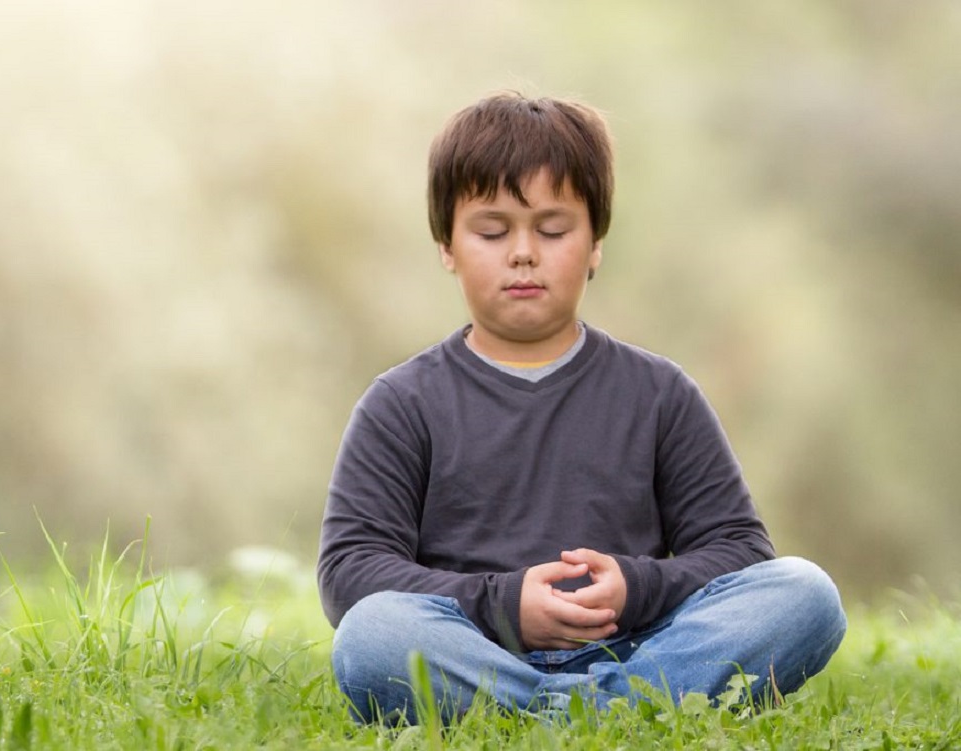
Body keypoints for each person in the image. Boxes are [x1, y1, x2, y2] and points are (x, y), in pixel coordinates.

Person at [316, 92, 846, 725]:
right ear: (447, 246)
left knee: (803, 594)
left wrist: (635, 586)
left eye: (552, 229)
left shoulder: (659, 392)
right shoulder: (401, 402)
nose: (521, 253)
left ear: (595, 242)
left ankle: (552, 715)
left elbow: (737, 549)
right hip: (474, 649)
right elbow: (352, 569)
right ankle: (619, 716)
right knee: (372, 634)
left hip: (639, 649)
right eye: (491, 230)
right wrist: (503, 604)